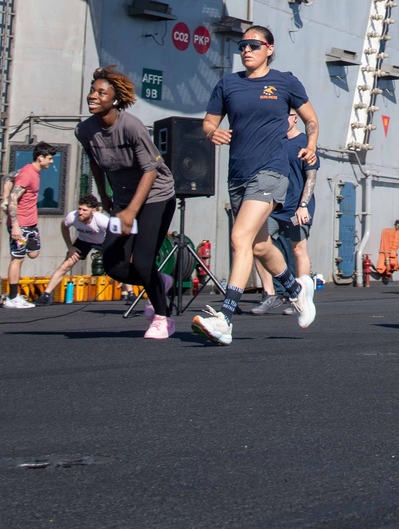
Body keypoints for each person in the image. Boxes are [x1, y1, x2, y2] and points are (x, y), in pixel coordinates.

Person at [195, 26, 318, 344]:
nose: (246, 50)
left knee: (240, 238)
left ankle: (224, 318)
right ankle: (296, 290)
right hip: (238, 174)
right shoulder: (228, 84)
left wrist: (313, 143)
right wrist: (212, 133)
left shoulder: (285, 82)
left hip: (271, 172)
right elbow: (209, 121)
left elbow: (310, 119)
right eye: (242, 45)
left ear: (269, 49)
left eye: (253, 45)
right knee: (261, 245)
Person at [75, 69, 177, 339]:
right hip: (122, 199)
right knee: (113, 265)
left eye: (101, 92)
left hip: (156, 196)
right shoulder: (85, 130)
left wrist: (132, 211)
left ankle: (163, 317)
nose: (93, 96)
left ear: (116, 100)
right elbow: (96, 165)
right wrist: (105, 198)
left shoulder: (131, 126)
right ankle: (159, 281)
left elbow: (150, 170)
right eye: (92, 90)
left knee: (143, 262)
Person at [252, 111, 319, 315]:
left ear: (295, 118)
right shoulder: (275, 143)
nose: (283, 120)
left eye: (287, 115)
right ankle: (270, 292)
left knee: (298, 250)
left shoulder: (305, 143)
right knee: (257, 244)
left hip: (296, 207)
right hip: (274, 206)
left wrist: (303, 205)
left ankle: (300, 298)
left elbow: (311, 177)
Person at [2, 142, 55, 308]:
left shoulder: (31, 171)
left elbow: (7, 177)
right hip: (21, 224)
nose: (51, 162)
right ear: (40, 158)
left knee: (33, 253)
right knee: (17, 258)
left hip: (31, 223)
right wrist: (15, 225)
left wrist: (3, 197)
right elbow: (13, 200)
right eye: (50, 159)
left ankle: (12, 295)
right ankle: (12, 297)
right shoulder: (27, 175)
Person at [37, 194, 117, 306]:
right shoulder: (72, 217)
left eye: (84, 210)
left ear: (93, 211)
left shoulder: (102, 220)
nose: (80, 212)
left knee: (118, 263)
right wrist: (70, 247)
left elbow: (117, 233)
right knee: (66, 265)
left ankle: (129, 293)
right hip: (83, 241)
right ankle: (46, 295)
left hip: (104, 241)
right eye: (79, 209)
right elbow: (64, 226)